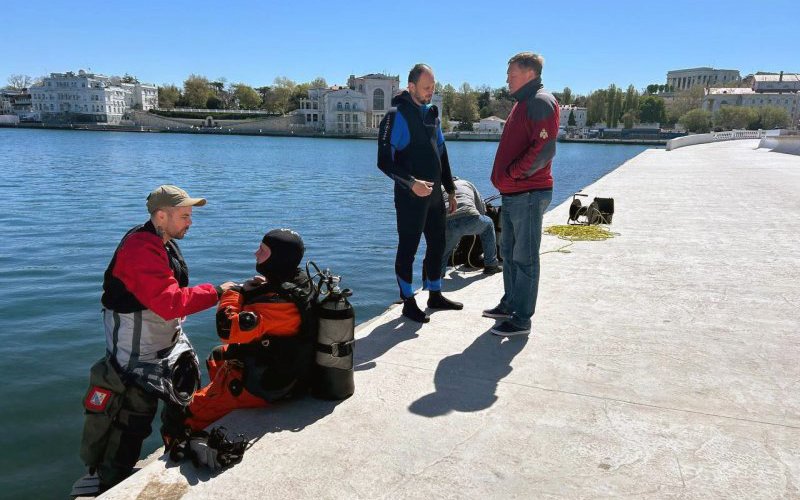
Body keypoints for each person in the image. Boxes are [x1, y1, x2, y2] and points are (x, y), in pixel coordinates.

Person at [75, 185, 236, 494]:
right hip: (137, 353)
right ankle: (111, 482)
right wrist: (218, 291)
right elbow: (169, 301)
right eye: (185, 216)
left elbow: (169, 298)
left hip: (167, 342)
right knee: (132, 417)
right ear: (161, 216)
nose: (190, 222)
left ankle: (177, 446)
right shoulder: (139, 248)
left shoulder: (163, 241)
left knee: (182, 400)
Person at [176, 229, 314, 435]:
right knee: (217, 356)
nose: (256, 253)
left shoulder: (277, 303)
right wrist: (261, 288)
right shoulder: (299, 283)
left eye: (263, 251)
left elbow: (227, 328)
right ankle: (220, 399)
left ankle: (201, 420)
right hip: (284, 363)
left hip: (265, 382)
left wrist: (233, 292)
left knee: (180, 415)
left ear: (278, 258)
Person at [377, 63, 462, 324]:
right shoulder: (396, 115)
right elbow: (384, 162)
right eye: (426, 87)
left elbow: (442, 154)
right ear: (411, 86)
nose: (430, 92)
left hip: (434, 197)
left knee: (438, 244)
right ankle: (408, 301)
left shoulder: (431, 114)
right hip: (410, 197)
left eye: (433, 87)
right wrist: (411, 183)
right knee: (408, 249)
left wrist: (450, 190)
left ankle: (435, 294)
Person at [484, 52, 559, 337]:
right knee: (510, 254)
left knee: (525, 258)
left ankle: (522, 318)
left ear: (529, 73)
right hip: (515, 193)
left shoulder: (540, 101)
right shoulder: (523, 102)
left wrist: (513, 174)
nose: (507, 80)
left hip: (528, 193)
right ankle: (510, 304)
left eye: (511, 74)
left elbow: (544, 149)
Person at [440, 178, 501, 277]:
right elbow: (481, 209)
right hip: (470, 218)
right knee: (488, 224)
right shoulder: (467, 183)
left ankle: (439, 275)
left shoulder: (440, 188)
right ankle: (491, 265)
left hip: (449, 223)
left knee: (444, 252)